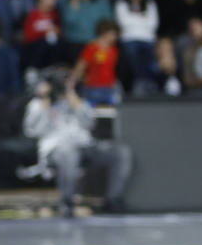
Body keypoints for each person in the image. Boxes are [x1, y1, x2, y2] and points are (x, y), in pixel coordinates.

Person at [22, 72, 132, 216]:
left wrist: (74, 101)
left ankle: (113, 199)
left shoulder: (77, 101)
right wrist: (45, 103)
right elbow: (31, 131)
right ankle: (66, 202)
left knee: (121, 153)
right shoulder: (38, 104)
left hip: (85, 146)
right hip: (57, 149)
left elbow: (91, 123)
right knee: (69, 153)